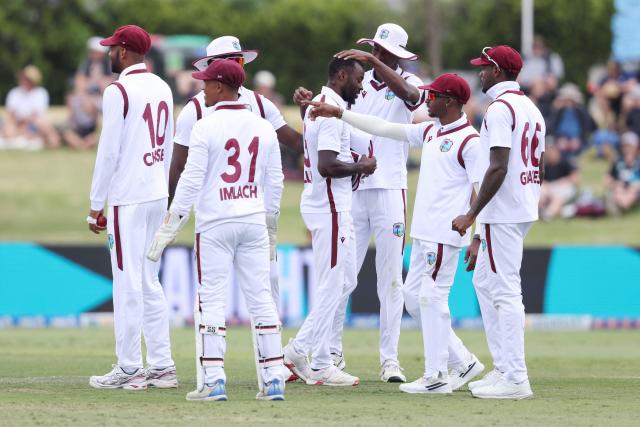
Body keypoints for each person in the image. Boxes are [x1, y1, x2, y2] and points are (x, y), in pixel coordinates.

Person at [305, 73, 486, 394]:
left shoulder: (470, 141)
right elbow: (385, 128)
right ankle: (463, 360)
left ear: (453, 102)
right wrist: (340, 113)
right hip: (424, 231)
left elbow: (482, 189)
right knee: (413, 298)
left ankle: (436, 373)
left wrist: (476, 235)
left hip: (446, 233)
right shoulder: (431, 130)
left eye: (435, 96)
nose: (427, 100)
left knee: (431, 298)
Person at [147, 59, 287, 401]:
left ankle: (214, 379)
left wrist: (170, 226)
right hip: (253, 220)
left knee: (211, 300)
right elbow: (276, 181)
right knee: (262, 300)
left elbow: (191, 180)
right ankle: (273, 379)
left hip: (215, 224)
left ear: (222, 86)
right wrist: (270, 225)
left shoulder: (205, 127)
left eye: (207, 83)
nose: (202, 88)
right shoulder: (263, 126)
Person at [294, 22, 425, 383]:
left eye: (383, 53)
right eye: (374, 51)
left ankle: (390, 359)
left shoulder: (409, 83)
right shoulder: (356, 81)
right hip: (352, 188)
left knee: (390, 279)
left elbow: (411, 99)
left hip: (389, 188)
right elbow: (334, 110)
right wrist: (311, 104)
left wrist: (374, 60)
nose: (375, 58)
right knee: (342, 277)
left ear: (396, 56)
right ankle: (330, 352)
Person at [169, 35, 303, 315]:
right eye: (233, 61)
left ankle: (271, 357)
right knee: (213, 294)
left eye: (240, 61)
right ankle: (214, 360)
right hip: (214, 211)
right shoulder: (194, 109)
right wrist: (168, 209)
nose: (238, 68)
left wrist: (331, 143)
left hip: (254, 209)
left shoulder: (260, 103)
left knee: (268, 285)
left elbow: (294, 141)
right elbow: (179, 165)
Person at [452, 45, 546, 400]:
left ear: (500, 71)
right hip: (519, 207)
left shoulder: (499, 109)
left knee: (505, 291)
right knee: (484, 282)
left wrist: (473, 214)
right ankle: (505, 368)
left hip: (501, 211)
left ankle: (516, 378)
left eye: (486, 67)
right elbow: (537, 165)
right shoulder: (531, 108)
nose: (480, 72)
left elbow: (498, 166)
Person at [86, 25, 176, 391]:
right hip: (156, 191)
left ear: (124, 52)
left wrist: (95, 205)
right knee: (149, 280)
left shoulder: (119, 90)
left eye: (112, 48)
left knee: (127, 281)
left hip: (129, 195)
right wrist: (166, 193)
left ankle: (129, 366)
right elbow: (169, 146)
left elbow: (109, 151)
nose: (109, 54)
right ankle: (161, 365)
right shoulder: (162, 86)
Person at [283, 57, 377, 386]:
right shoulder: (328, 111)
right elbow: (326, 164)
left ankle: (321, 361)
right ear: (340, 76)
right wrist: (361, 167)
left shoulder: (319, 106)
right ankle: (299, 352)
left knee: (344, 282)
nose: (361, 84)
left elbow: (311, 148)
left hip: (329, 205)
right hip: (331, 206)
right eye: (357, 78)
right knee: (334, 284)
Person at [2, 65, 60, 149]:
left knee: (43, 124)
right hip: (17, 124)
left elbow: (36, 115)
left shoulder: (41, 93)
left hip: (34, 124)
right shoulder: (14, 92)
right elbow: (12, 115)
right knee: (9, 128)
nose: (24, 80)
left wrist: (24, 123)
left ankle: (38, 139)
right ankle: (31, 138)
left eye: (27, 79)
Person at [547, 83, 595, 158]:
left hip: (577, 140)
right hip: (561, 140)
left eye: (570, 99)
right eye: (566, 99)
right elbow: (551, 127)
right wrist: (559, 139)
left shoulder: (581, 111)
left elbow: (588, 127)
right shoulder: (558, 112)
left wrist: (580, 139)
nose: (568, 102)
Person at [539, 142, 579, 220]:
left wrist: (564, 180)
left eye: (552, 151)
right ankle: (539, 211)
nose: (550, 153)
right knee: (541, 193)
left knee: (558, 198)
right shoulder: (544, 164)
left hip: (563, 187)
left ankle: (547, 215)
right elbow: (540, 179)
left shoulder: (565, 162)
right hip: (549, 187)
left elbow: (575, 178)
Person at [605, 131, 640, 215]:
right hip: (619, 191)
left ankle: (625, 205)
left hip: (635, 190)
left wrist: (634, 186)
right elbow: (607, 179)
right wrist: (616, 184)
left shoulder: (638, 162)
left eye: (630, 146)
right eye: (625, 146)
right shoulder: (617, 162)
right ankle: (621, 207)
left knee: (634, 189)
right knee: (617, 190)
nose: (627, 149)